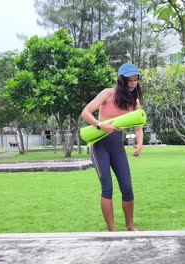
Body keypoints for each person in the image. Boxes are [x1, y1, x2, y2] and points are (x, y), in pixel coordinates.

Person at [81, 63, 143, 232]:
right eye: (129, 80)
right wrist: (101, 125)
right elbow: (85, 112)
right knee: (107, 187)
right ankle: (112, 231)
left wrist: (139, 143)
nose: (132, 83)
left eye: (135, 80)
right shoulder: (108, 93)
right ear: (121, 80)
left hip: (116, 144)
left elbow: (138, 126)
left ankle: (130, 226)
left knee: (127, 187)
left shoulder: (133, 101)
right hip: (99, 143)